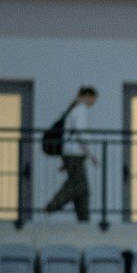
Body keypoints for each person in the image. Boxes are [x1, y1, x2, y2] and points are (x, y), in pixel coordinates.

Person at [45, 86, 97, 222]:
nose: (93, 103)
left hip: (71, 154)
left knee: (82, 188)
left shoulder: (73, 109)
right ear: (89, 96)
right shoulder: (80, 110)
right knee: (78, 185)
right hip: (75, 155)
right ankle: (53, 206)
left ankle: (83, 218)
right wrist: (91, 154)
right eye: (93, 99)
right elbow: (81, 133)